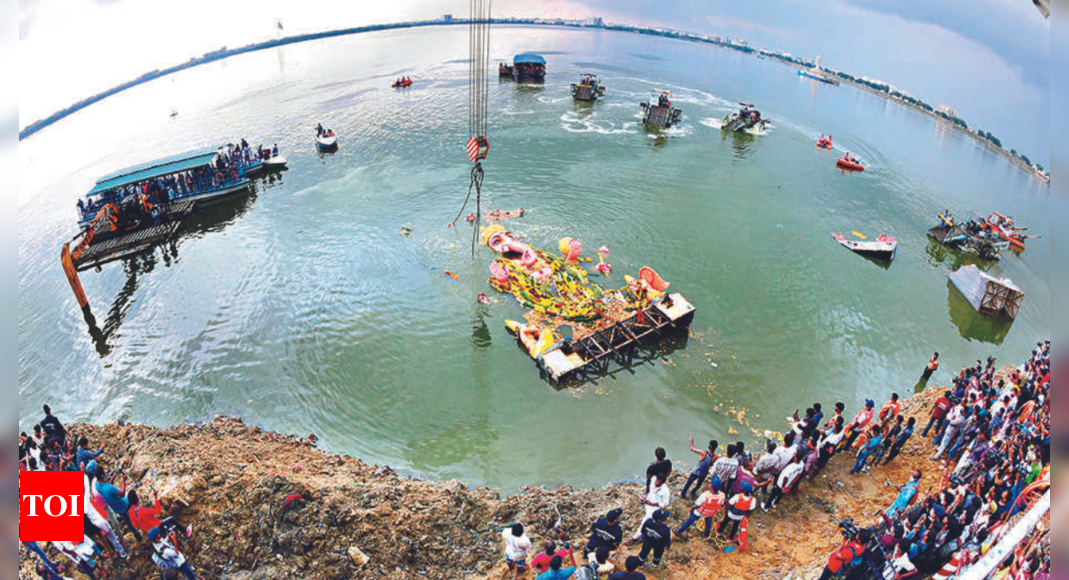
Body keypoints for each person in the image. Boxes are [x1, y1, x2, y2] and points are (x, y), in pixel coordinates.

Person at [93, 466, 142, 541]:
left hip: (116, 508)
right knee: (135, 504)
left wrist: (112, 478)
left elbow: (108, 487)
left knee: (128, 521)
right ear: (102, 475)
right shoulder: (109, 488)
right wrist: (123, 481)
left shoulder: (97, 485)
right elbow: (122, 493)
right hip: (123, 503)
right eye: (104, 472)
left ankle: (137, 536)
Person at [128, 489, 193, 539]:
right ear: (137, 498)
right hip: (157, 526)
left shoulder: (131, 512)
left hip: (149, 531)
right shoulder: (143, 511)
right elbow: (158, 510)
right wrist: (156, 497)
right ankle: (185, 532)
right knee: (171, 519)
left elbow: (135, 525)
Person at [629, 476, 670, 544]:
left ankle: (634, 538)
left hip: (654, 508)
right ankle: (644, 519)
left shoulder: (665, 491)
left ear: (662, 482)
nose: (656, 483)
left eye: (658, 482)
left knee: (644, 523)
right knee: (646, 515)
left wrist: (652, 503)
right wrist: (647, 496)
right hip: (647, 504)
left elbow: (665, 503)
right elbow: (650, 489)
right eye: (656, 481)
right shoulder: (653, 479)